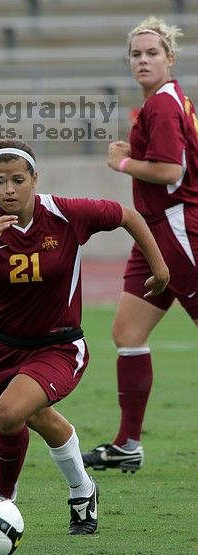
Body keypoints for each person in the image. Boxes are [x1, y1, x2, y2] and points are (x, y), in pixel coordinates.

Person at [0, 139, 169, 534]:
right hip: (4, 345)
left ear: (35, 179)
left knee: (11, 412)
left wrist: (160, 268)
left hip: (59, 345)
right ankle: (80, 490)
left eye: (17, 180)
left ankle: (0, 508)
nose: (8, 190)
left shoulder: (65, 214)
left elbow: (128, 216)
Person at [82, 16, 198, 473]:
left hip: (176, 229)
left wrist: (123, 162)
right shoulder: (162, 103)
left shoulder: (164, 106)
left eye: (152, 53)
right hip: (152, 231)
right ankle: (128, 443)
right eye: (136, 54)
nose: (143, 60)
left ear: (170, 58)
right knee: (128, 334)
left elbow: (171, 172)